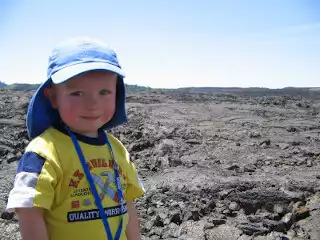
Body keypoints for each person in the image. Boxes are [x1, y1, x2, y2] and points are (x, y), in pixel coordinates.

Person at [6, 37, 146, 240]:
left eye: (104, 92)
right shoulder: (44, 152)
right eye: (77, 93)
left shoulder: (118, 149)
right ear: (53, 97)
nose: (92, 103)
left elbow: (129, 206)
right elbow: (29, 211)